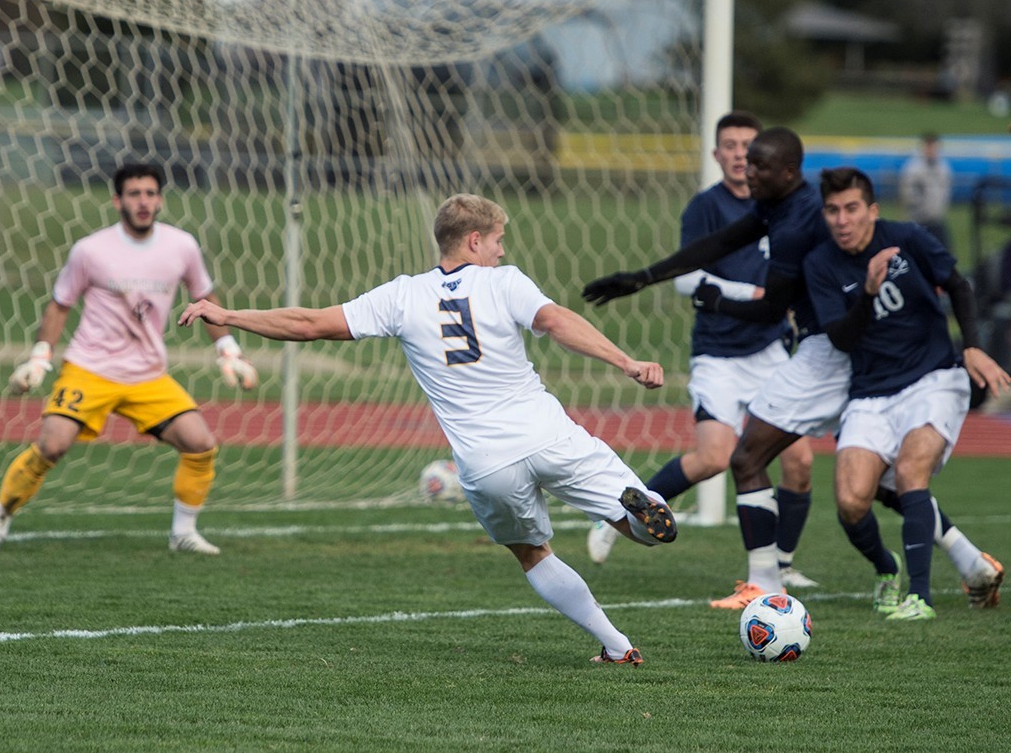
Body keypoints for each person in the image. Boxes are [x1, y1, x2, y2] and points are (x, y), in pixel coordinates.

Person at [179, 193, 678, 664]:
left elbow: (308, 323)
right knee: (640, 529)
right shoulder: (505, 282)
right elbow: (555, 321)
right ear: (475, 241)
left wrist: (229, 315)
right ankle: (637, 514)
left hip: (485, 463)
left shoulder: (403, 295)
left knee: (531, 552)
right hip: (549, 435)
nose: (502, 251)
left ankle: (617, 646)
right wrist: (625, 361)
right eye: (498, 240)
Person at [581, 127, 1001, 611]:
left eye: (759, 165)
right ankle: (971, 563)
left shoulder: (800, 225)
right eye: (747, 162)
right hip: (849, 349)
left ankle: (765, 582)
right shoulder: (780, 206)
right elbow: (721, 242)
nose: (749, 171)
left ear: (788, 172)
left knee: (748, 457)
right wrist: (643, 278)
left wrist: (715, 300)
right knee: (883, 485)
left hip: (831, 352)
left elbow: (769, 309)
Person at [585, 113, 818, 592]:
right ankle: (622, 514)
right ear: (717, 154)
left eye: (750, 148)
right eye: (731, 146)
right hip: (718, 352)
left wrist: (772, 299)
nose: (742, 157)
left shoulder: (789, 207)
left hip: (770, 349)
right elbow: (695, 272)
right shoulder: (709, 206)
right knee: (714, 457)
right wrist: (648, 279)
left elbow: (777, 295)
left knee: (800, 462)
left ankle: (781, 565)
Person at [0, 163, 258, 557]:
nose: (143, 201)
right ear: (117, 201)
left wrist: (228, 352)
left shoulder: (182, 246)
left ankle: (183, 533)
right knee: (52, 445)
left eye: (150, 193)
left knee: (200, 443)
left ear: (160, 199)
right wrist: (39, 358)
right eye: (134, 194)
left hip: (147, 374)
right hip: (89, 369)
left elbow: (205, 299)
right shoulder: (90, 250)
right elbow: (60, 304)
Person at [805, 167, 1008, 620]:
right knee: (851, 500)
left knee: (911, 471)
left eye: (852, 208)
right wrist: (867, 294)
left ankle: (920, 597)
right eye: (833, 210)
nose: (842, 219)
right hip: (870, 394)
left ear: (872, 210)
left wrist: (972, 346)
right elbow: (840, 338)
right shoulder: (820, 264)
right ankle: (889, 566)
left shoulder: (907, 238)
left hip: (933, 378)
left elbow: (957, 284)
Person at [899, 132, 953, 250]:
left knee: (945, 253)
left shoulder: (943, 167)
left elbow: (944, 191)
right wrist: (921, 209)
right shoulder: (913, 169)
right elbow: (908, 194)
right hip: (919, 220)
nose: (931, 151)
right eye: (929, 147)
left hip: (937, 220)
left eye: (934, 147)